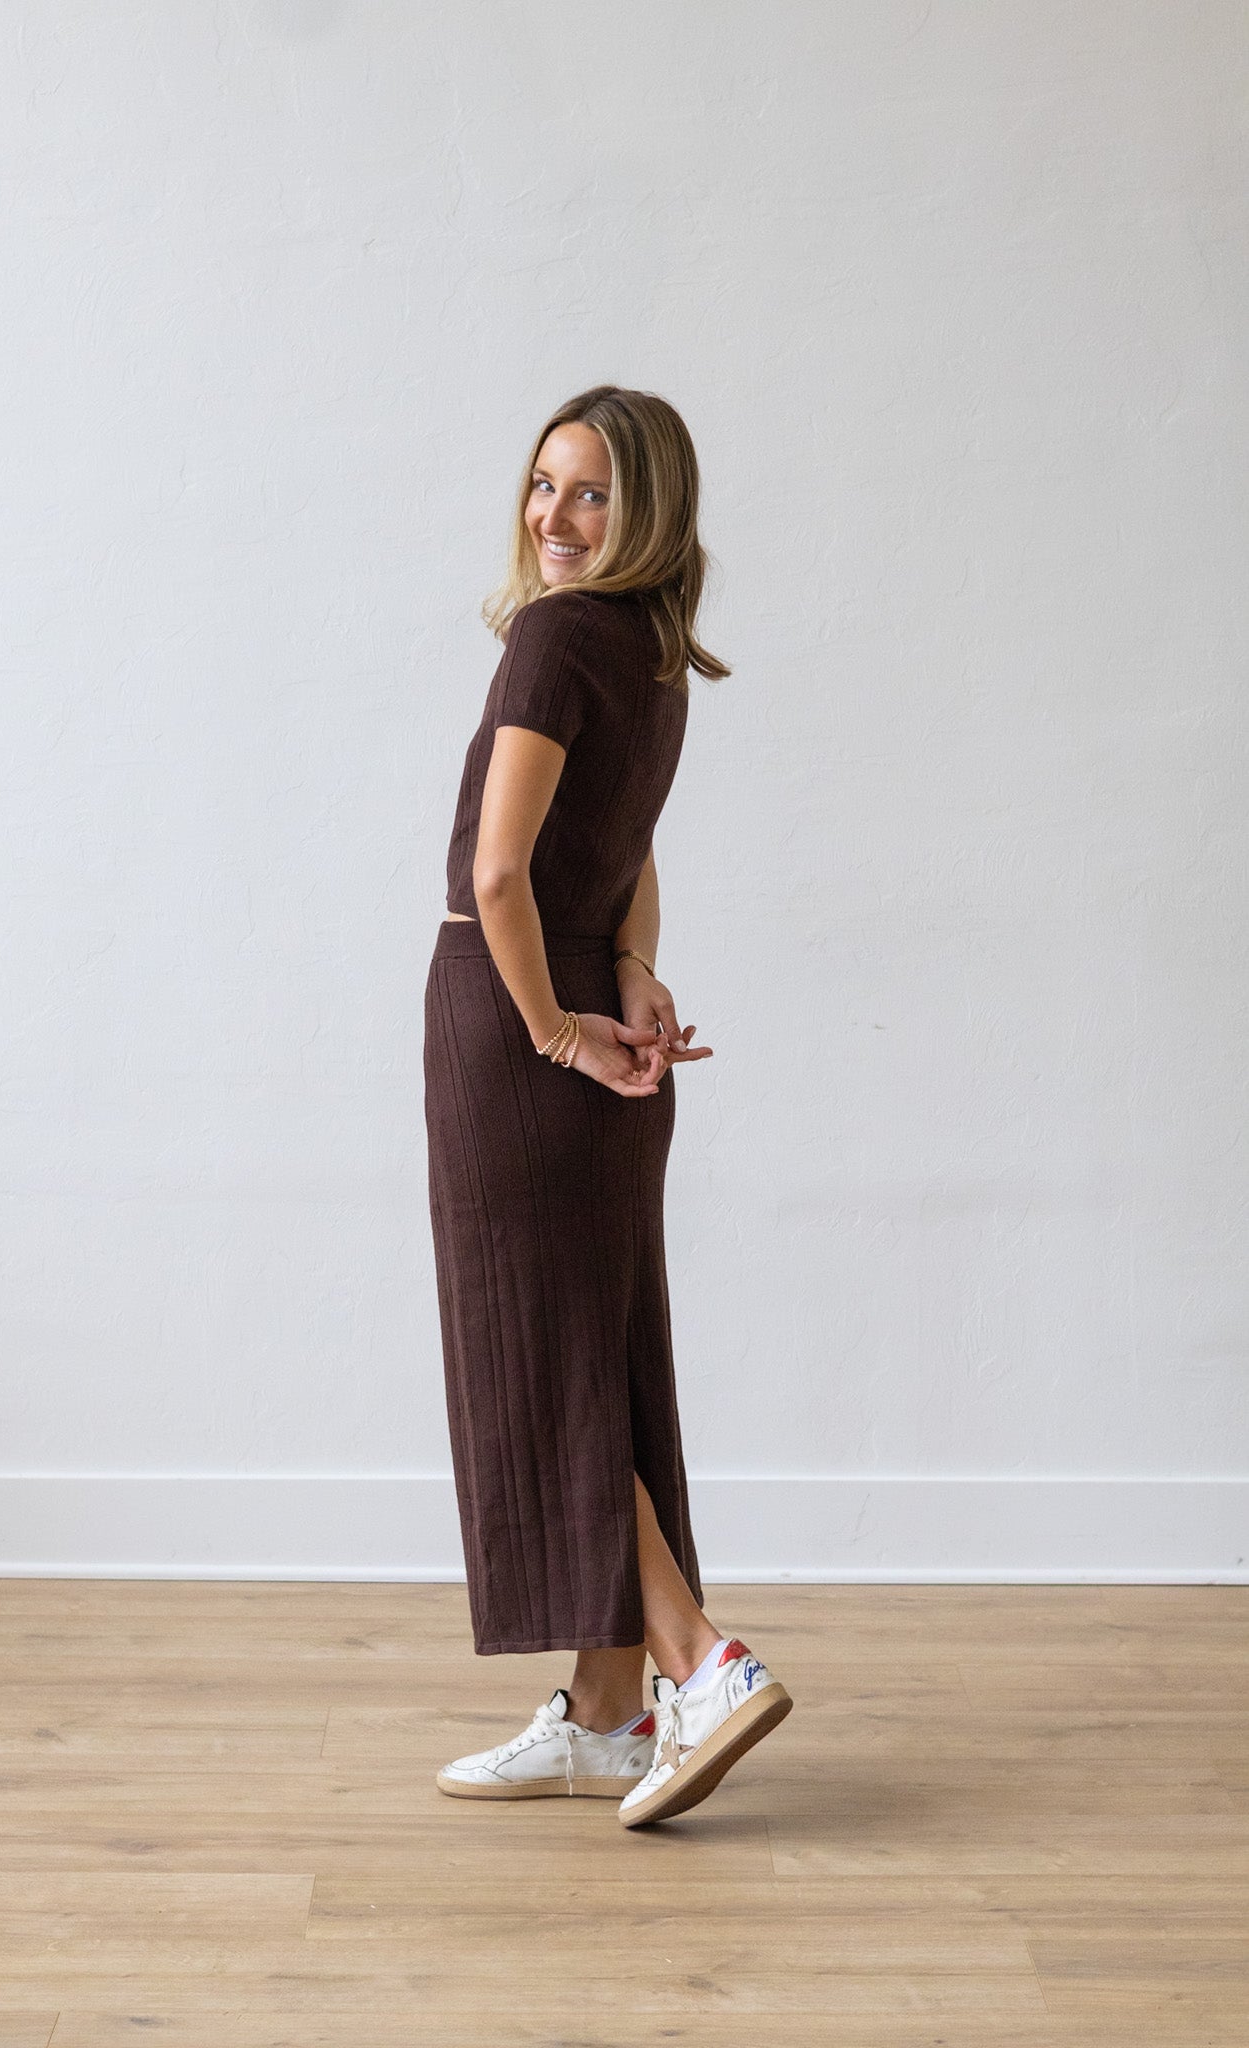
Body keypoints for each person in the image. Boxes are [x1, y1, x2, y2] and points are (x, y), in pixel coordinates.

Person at [422, 384, 790, 1828]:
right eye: (543, 485)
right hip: (598, 1023)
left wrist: (554, 1034)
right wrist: (629, 973)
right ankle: (605, 1710)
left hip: (523, 1033)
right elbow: (624, 854)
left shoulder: (556, 638)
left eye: (591, 495)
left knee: (552, 1364)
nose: (555, 520)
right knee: (601, 1355)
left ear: (650, 515)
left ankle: (699, 1661)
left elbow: (502, 873)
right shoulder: (644, 654)